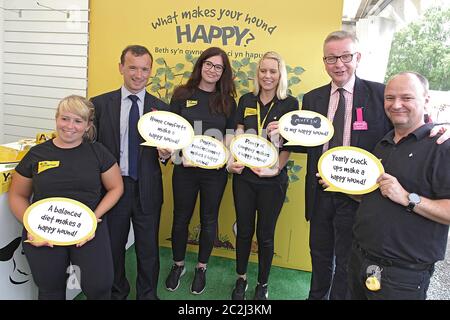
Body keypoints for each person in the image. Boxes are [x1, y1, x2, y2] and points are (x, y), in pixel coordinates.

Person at [282, 30, 450, 300]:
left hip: (360, 198)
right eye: (331, 58)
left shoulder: (381, 94)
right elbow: (308, 141)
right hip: (319, 192)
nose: (338, 64)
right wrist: (283, 132)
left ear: (357, 57)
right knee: (319, 254)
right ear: (324, 62)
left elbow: (410, 120)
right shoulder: (313, 99)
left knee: (348, 262)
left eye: (345, 56)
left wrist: (441, 129)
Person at [8, 95, 123, 300]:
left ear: (88, 125)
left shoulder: (98, 152)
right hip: (44, 234)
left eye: (78, 121)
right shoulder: (37, 154)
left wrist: (94, 218)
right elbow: (18, 194)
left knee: (99, 288)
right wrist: (32, 227)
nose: (70, 126)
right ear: (56, 119)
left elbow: (116, 188)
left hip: (89, 231)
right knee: (50, 289)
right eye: (65, 118)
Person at [348, 72, 450, 300]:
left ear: (426, 100)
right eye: (390, 97)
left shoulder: (442, 145)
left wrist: (407, 197)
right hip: (359, 260)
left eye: (406, 97)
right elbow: (373, 197)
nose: (396, 105)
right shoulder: (383, 143)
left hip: (402, 278)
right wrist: (345, 185)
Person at [90, 45, 169, 300]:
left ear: (150, 71)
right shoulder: (100, 104)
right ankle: (117, 293)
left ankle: (147, 295)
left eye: (144, 69)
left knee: (148, 249)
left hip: (147, 188)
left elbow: (171, 154)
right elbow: (90, 149)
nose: (138, 74)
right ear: (121, 67)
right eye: (132, 67)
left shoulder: (162, 109)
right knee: (113, 248)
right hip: (113, 189)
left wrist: (167, 154)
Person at [164, 47, 237, 295]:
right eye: (209, 64)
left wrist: (224, 160)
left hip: (214, 174)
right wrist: (176, 156)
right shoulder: (182, 94)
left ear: (223, 72)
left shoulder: (228, 101)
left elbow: (229, 137)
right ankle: (178, 265)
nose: (212, 70)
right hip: (185, 170)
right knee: (180, 218)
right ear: (200, 65)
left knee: (209, 220)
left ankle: (202, 268)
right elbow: (171, 132)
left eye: (218, 67)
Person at [227, 51, 299, 300]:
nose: (267, 76)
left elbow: (289, 145)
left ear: (281, 75)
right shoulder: (246, 99)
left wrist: (275, 169)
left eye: (273, 71)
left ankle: (262, 284)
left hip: (273, 181)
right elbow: (237, 132)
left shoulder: (290, 104)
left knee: (266, 235)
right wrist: (232, 160)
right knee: (244, 231)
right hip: (244, 179)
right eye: (263, 71)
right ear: (257, 73)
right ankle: (241, 279)